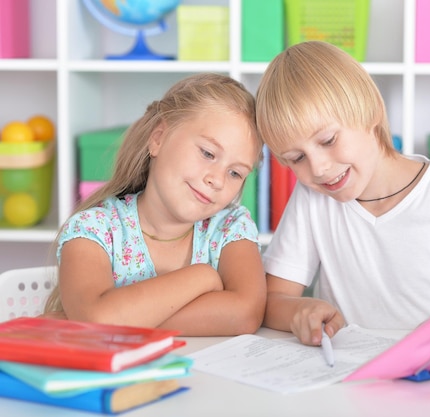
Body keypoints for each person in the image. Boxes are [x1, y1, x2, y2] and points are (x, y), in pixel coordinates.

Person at [255, 41, 430, 346]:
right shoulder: (312, 198)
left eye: (327, 140)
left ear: (371, 111)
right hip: (346, 381)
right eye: (296, 159)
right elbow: (273, 299)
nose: (318, 168)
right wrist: (300, 309)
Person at [43, 73, 266, 336]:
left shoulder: (230, 228)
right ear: (158, 138)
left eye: (235, 173)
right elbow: (98, 318)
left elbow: (246, 314)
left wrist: (125, 319)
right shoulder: (94, 229)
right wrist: (202, 276)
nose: (217, 180)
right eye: (207, 153)